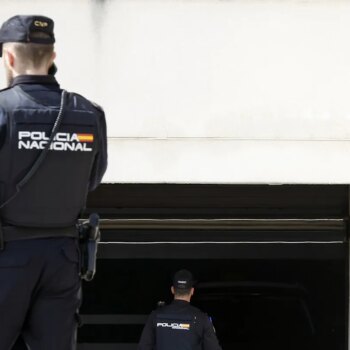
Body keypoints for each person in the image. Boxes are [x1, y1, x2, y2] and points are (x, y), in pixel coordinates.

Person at [0, 15, 107, 350]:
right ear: (53, 58)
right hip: (62, 258)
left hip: (7, 255)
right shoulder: (89, 113)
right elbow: (92, 179)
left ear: (10, 58)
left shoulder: (3, 110)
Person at [138, 269, 223, 350]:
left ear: (172, 290)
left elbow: (143, 347)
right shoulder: (202, 319)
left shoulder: (155, 316)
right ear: (192, 291)